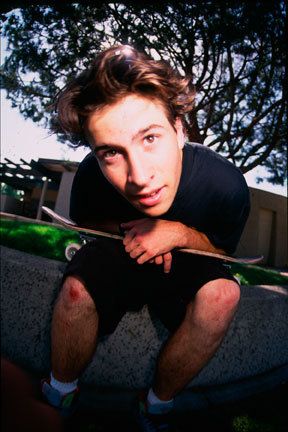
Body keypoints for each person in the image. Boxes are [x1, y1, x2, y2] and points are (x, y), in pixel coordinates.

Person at [42, 44, 250, 431]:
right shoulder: (91, 176)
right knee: (76, 287)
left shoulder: (225, 185)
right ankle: (60, 391)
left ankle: (156, 404)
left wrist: (179, 234)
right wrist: (134, 236)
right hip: (120, 250)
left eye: (150, 138)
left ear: (179, 128)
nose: (138, 177)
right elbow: (89, 229)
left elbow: (224, 251)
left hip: (189, 258)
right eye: (111, 153)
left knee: (223, 296)